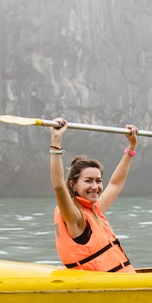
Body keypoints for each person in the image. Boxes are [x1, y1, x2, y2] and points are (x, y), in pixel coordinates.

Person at [49, 117, 138, 273]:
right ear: (73, 186)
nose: (95, 187)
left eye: (98, 181)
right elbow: (58, 187)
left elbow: (115, 184)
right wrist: (56, 140)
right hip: (109, 287)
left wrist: (131, 146)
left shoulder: (94, 210)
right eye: (88, 181)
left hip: (125, 280)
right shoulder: (75, 217)